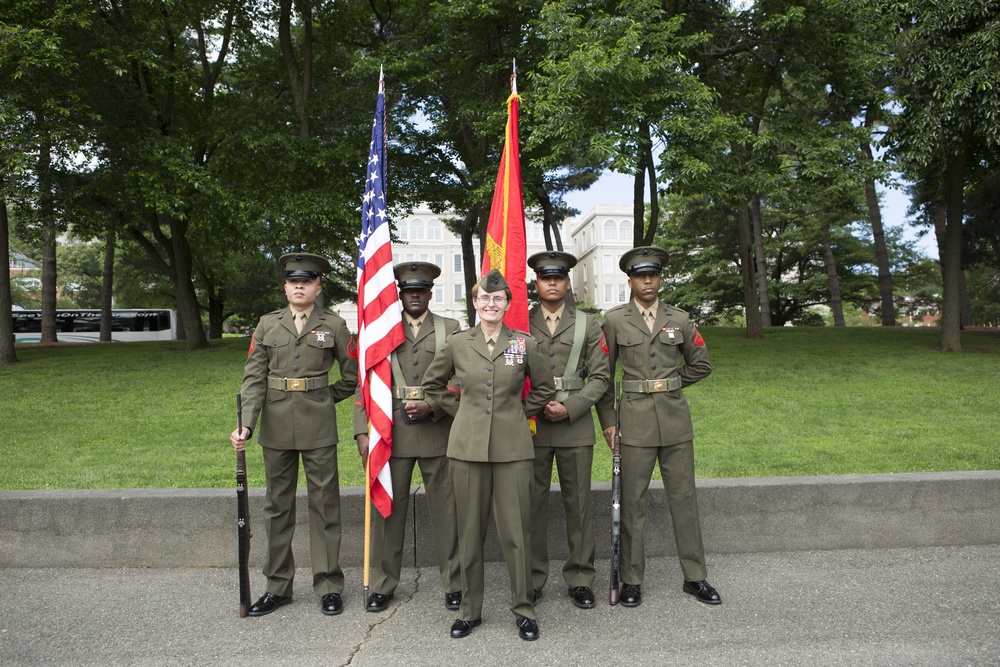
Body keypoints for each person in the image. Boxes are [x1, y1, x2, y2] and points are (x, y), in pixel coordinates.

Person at [422, 269, 556, 641]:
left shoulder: (524, 344)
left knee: (517, 532)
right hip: (466, 448)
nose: (491, 304)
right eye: (484, 298)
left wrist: (517, 413)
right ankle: (469, 610)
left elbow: (543, 389)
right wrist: (459, 412)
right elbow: (433, 385)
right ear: (475, 303)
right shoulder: (457, 343)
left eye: (498, 299)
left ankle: (524, 609)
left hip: (513, 447)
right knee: (469, 531)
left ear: (508, 304)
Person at [230, 252, 358, 617]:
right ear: (285, 287)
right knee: (277, 508)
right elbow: (254, 377)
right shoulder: (267, 325)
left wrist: (325, 397)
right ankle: (278, 586)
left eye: (307, 281)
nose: (299, 286)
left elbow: (352, 374)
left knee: (325, 505)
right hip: (276, 423)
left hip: (318, 425)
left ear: (318, 287)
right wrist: (247, 423)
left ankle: (329, 585)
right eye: (293, 281)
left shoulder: (334, 325)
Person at [596, 246, 721, 608]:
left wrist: (669, 383)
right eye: (640, 276)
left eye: (653, 275)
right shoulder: (615, 320)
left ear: (661, 278)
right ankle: (632, 580)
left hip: (675, 420)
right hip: (633, 421)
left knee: (684, 499)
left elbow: (701, 365)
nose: (647, 281)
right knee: (632, 502)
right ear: (630, 280)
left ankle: (695, 577)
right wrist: (608, 422)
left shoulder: (679, 319)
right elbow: (603, 377)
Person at [353, 262, 462, 614]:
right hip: (391, 432)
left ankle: (454, 583)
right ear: (399, 293)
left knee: (447, 512)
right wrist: (360, 429)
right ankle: (384, 584)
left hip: (438, 431)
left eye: (421, 290)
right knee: (389, 511)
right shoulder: (382, 326)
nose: (414, 295)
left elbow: (463, 379)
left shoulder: (451, 328)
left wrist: (434, 405)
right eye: (408, 291)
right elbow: (365, 381)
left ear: (431, 292)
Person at [526, 251, 610, 610]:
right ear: (536, 283)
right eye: (546, 278)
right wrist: (534, 404)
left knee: (579, 506)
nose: (552, 284)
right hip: (531, 424)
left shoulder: (588, 324)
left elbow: (602, 377)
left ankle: (580, 577)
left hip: (574, 424)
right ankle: (531, 578)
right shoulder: (520, 322)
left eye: (558, 278)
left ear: (567, 282)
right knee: (531, 505)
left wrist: (572, 406)